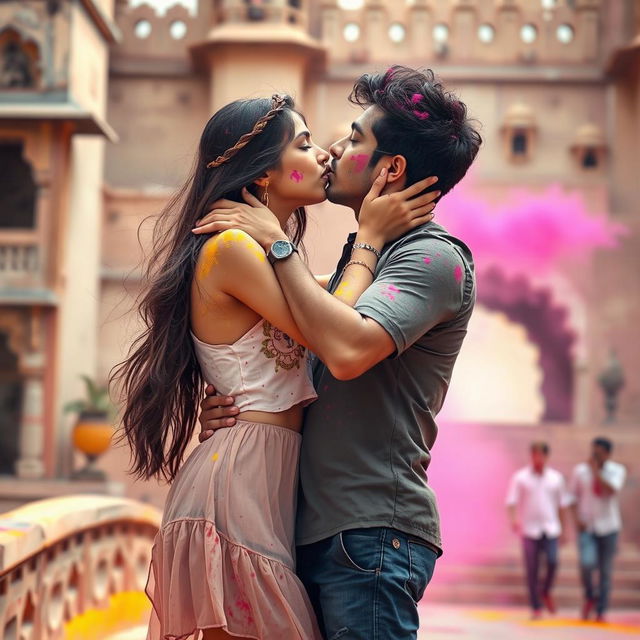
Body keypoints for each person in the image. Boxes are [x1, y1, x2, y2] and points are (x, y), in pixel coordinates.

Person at [112, 93, 438, 640]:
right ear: (266, 171)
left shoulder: (268, 255)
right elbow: (336, 326)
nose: (325, 157)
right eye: (306, 144)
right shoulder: (235, 247)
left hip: (271, 476)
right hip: (239, 476)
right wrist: (371, 241)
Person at [194, 66, 482, 640]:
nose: (331, 149)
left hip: (371, 535)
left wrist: (277, 244)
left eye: (354, 138)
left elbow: (345, 348)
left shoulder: (432, 260)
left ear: (391, 168)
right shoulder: (360, 261)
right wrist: (241, 407)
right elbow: (287, 341)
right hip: (306, 528)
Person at [505, 441, 571, 619]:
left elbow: (562, 505)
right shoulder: (521, 477)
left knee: (552, 561)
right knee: (532, 568)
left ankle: (546, 590)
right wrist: (514, 520)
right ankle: (536, 606)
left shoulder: (556, 478)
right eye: (535, 454)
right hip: (529, 530)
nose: (538, 458)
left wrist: (565, 529)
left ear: (547, 457)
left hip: (550, 528)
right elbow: (511, 502)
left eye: (541, 455)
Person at [570, 437, 627, 622]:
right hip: (587, 526)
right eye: (593, 451)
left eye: (599, 452)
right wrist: (576, 518)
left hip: (609, 526)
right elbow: (572, 497)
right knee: (586, 564)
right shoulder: (580, 471)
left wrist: (596, 472)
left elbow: (611, 490)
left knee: (605, 570)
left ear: (608, 454)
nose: (594, 455)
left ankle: (601, 610)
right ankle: (590, 596)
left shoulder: (617, 470)